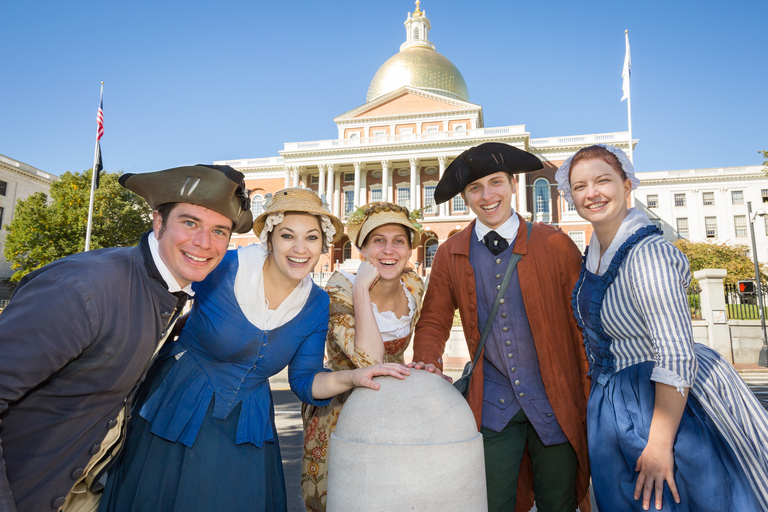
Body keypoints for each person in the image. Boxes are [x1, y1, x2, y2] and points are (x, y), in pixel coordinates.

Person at [97, 188, 410, 512]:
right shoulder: (226, 267)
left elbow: (304, 379)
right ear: (270, 239)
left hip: (246, 424)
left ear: (323, 244)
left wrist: (353, 376)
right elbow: (161, 289)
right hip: (179, 407)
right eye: (288, 235)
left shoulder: (316, 304)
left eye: (312, 238)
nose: (300, 249)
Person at [0, 164, 254, 512]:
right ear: (158, 222)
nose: (204, 243)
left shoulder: (168, 291)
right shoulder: (83, 290)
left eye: (220, 231)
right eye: (190, 222)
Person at [557, 144, 768, 511]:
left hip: (657, 408)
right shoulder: (595, 256)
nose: (590, 193)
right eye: (579, 186)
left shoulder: (648, 254)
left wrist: (658, 445)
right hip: (615, 408)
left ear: (626, 186)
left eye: (602, 181)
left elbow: (674, 354)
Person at [411, 142, 591, 512]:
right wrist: (427, 360)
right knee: (492, 503)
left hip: (554, 403)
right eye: (475, 188)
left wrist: (589, 392)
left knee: (560, 502)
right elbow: (434, 317)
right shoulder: (450, 251)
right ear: (465, 197)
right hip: (493, 407)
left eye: (495, 182)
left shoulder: (555, 243)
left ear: (512, 184)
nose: (487, 195)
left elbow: (583, 327)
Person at [300, 202, 425, 512]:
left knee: (391, 496)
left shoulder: (414, 285)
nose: (389, 250)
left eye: (399, 241)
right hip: (342, 410)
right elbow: (369, 361)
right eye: (378, 240)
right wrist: (361, 291)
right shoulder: (341, 286)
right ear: (362, 249)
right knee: (342, 498)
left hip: (393, 409)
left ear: (410, 250)